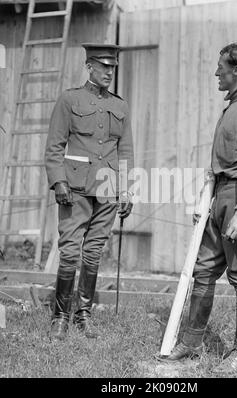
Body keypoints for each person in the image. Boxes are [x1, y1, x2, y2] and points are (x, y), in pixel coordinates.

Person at [164, 43, 237, 374]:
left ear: (236, 71)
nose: (216, 73)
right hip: (221, 197)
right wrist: (206, 201)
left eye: (220, 67)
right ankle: (192, 341)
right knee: (203, 269)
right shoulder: (234, 107)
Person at [45, 43, 134, 340]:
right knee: (70, 251)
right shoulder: (70, 100)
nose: (109, 72)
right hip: (75, 188)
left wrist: (126, 190)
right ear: (89, 66)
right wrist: (59, 181)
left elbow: (125, 151)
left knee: (94, 252)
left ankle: (83, 314)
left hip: (108, 189)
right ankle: (60, 316)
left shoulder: (120, 105)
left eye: (113, 67)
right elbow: (55, 146)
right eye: (103, 66)